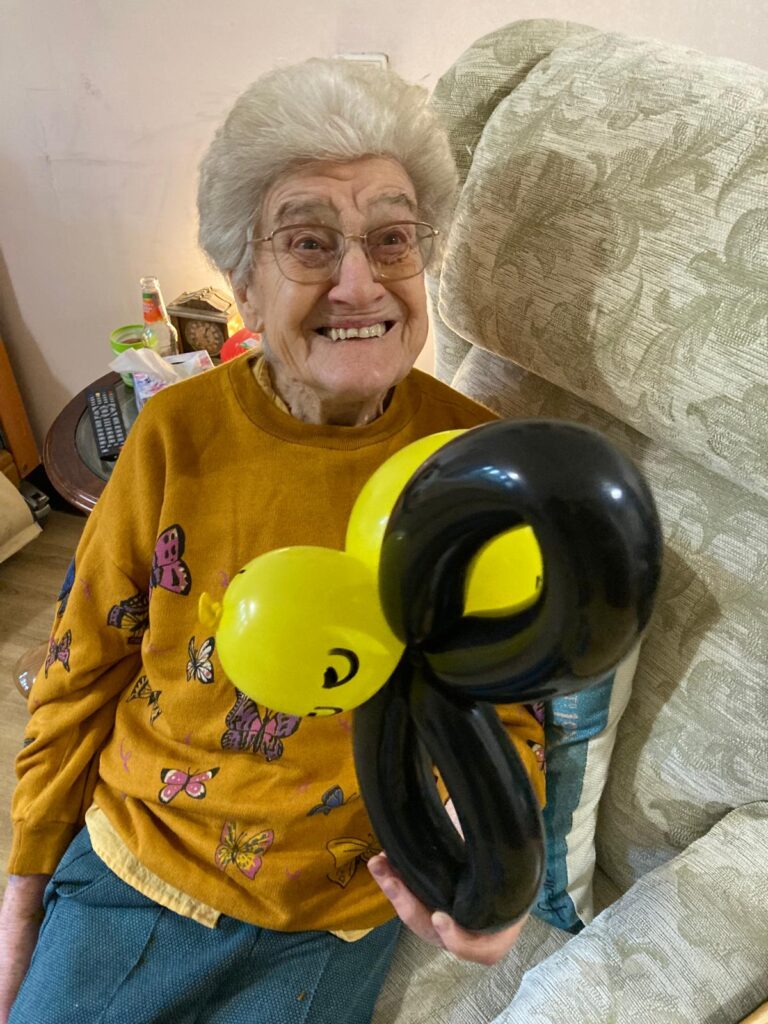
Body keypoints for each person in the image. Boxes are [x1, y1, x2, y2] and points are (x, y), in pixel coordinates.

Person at [0, 58, 545, 1024]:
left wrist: (488, 869)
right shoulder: (172, 436)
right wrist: (23, 887)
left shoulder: (471, 465)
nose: (358, 282)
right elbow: (81, 664)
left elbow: (503, 708)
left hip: (335, 906)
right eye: (307, 242)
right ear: (243, 278)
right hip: (144, 865)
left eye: (392, 239)